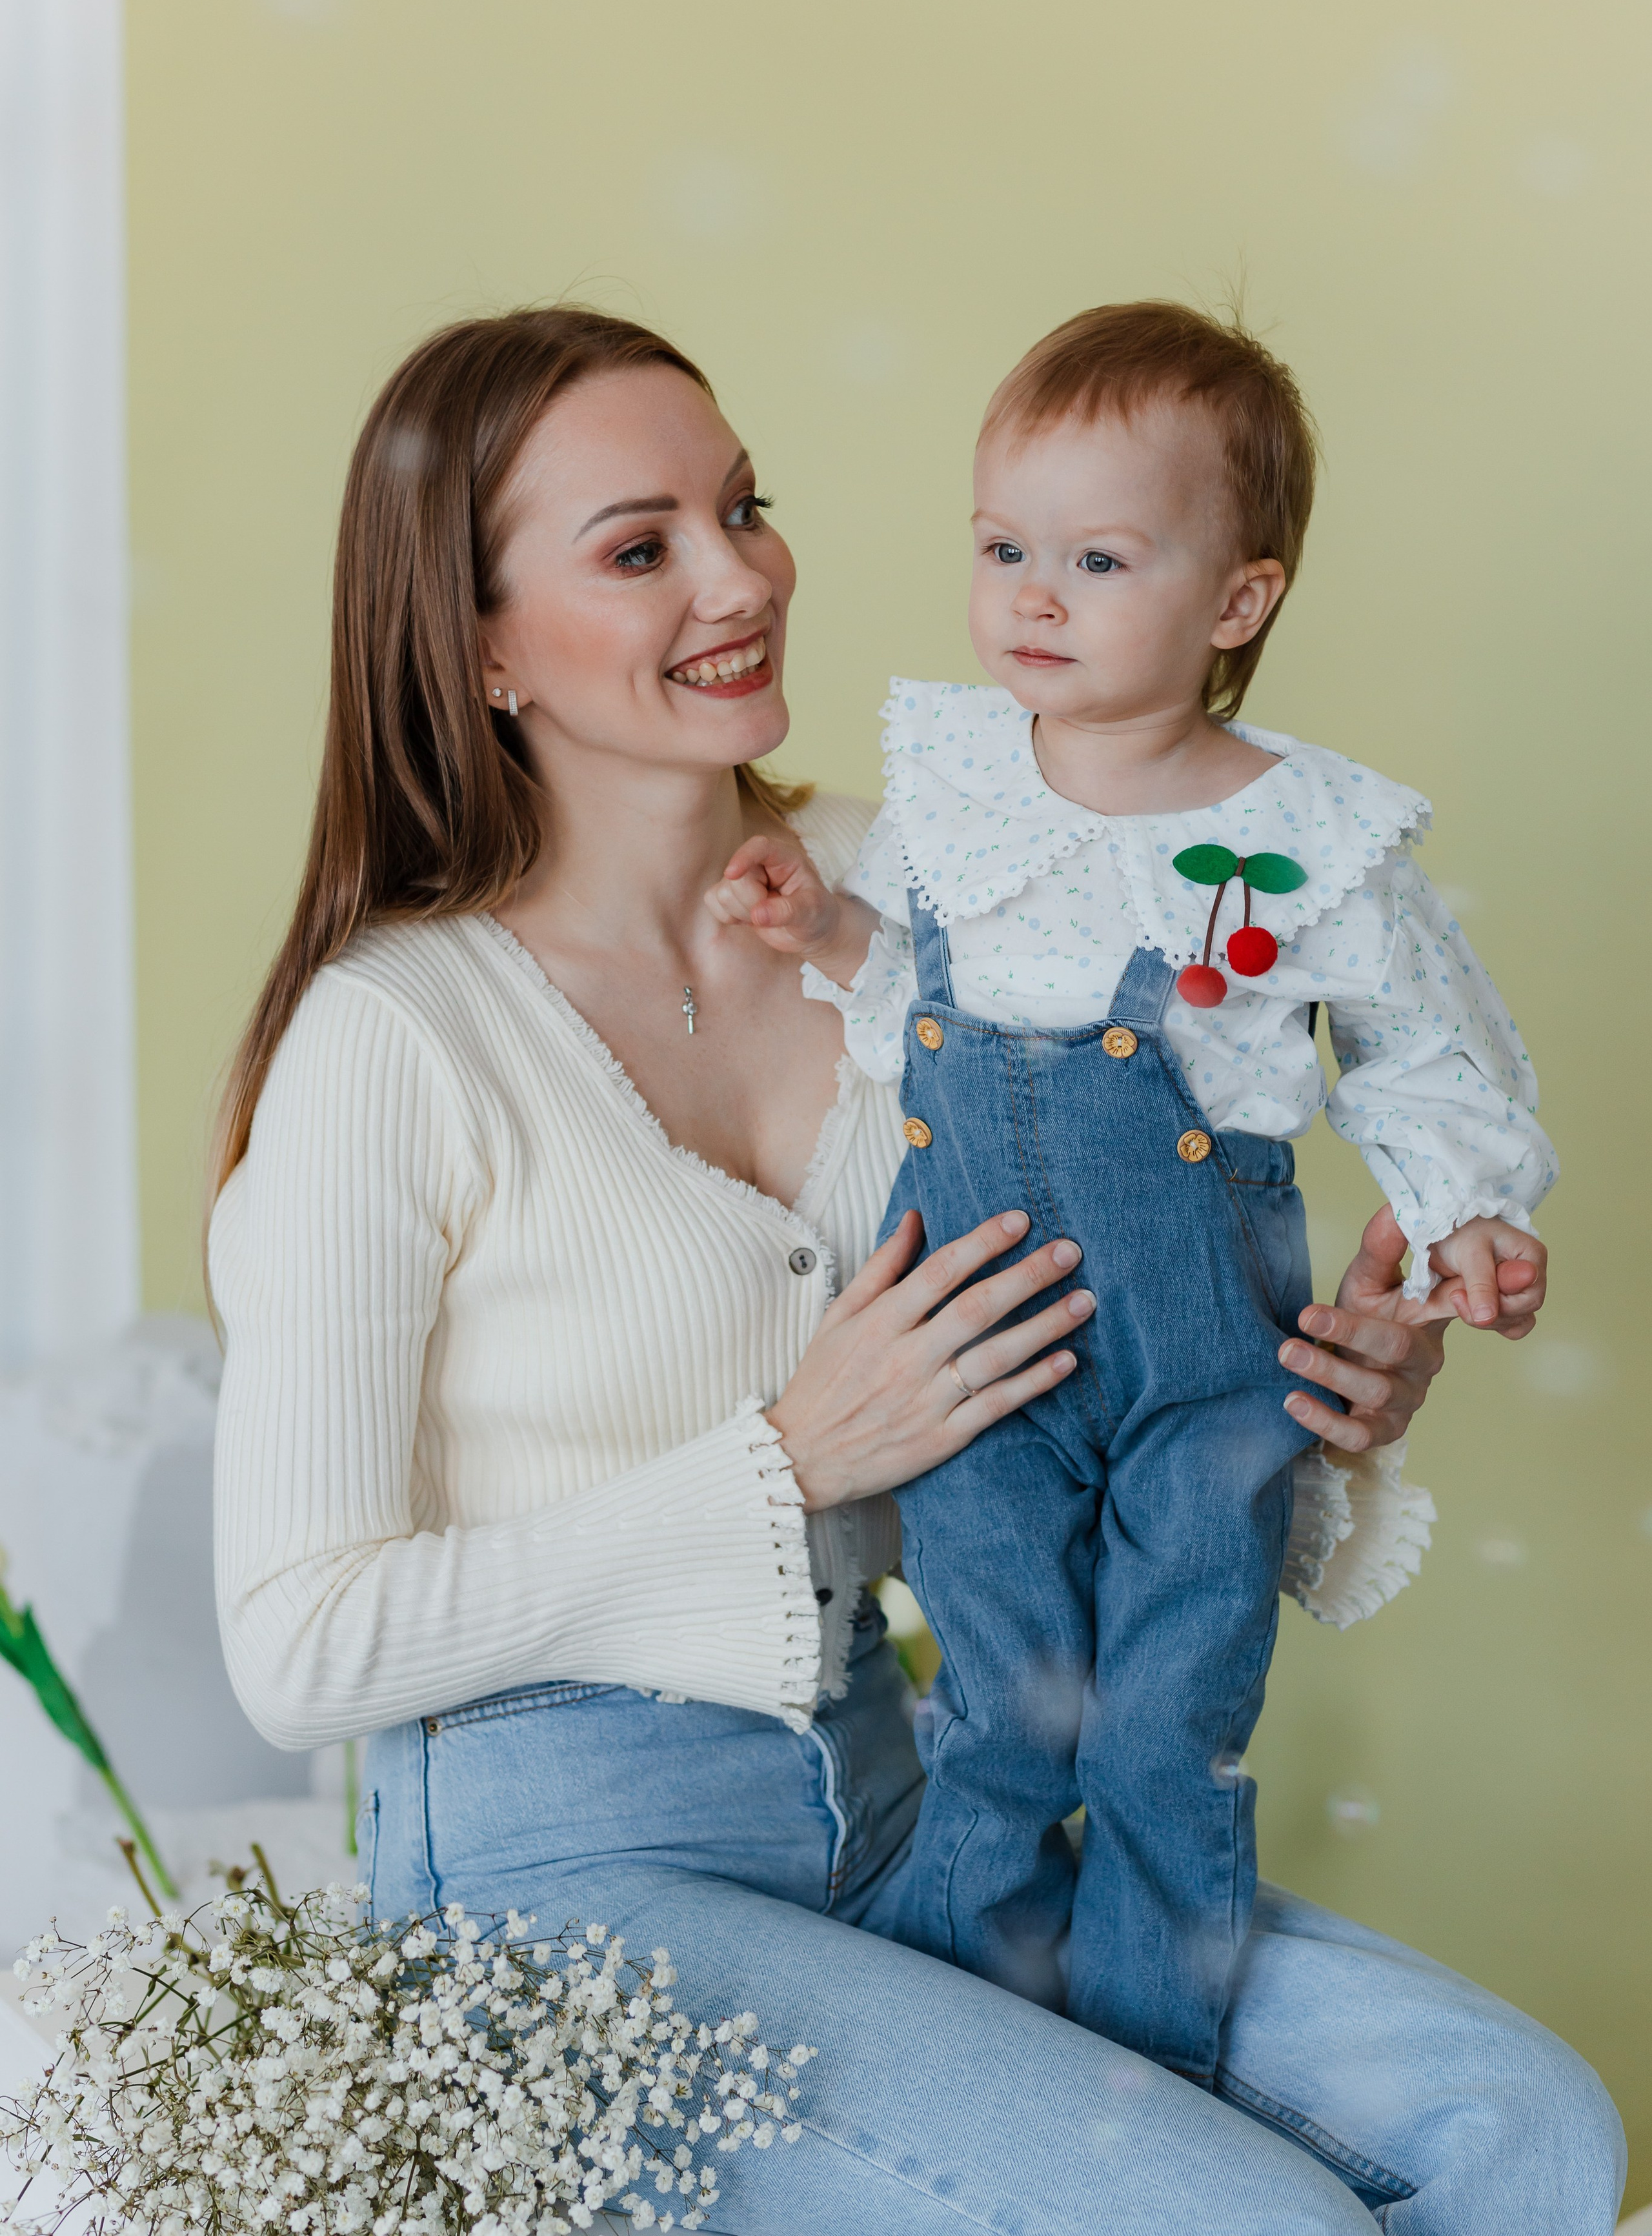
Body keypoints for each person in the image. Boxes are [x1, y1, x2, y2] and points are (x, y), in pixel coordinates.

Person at [210, 305, 1623, 2232]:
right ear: (479, 648)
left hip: (923, 1805)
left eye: (744, 506)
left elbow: (1115, 1289)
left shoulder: (950, 871)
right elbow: (300, 1648)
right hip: (574, 1888)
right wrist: (783, 1464)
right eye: (640, 548)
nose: (741, 579)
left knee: (1527, 2129)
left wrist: (1320, 1378)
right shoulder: (397, 1037)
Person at [709, 301, 1556, 2084]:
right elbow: (919, 1001)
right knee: (1001, 1717)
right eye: (1003, 548)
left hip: (1208, 1364)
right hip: (982, 1356)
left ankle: (1144, 2089)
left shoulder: (1306, 837)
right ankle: (960, 2066)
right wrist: (830, 930)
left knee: (1167, 1734)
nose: (1036, 596)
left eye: (1098, 560)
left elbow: (1419, 1042)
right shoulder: (956, 786)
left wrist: (1467, 1211)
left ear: (1237, 601)